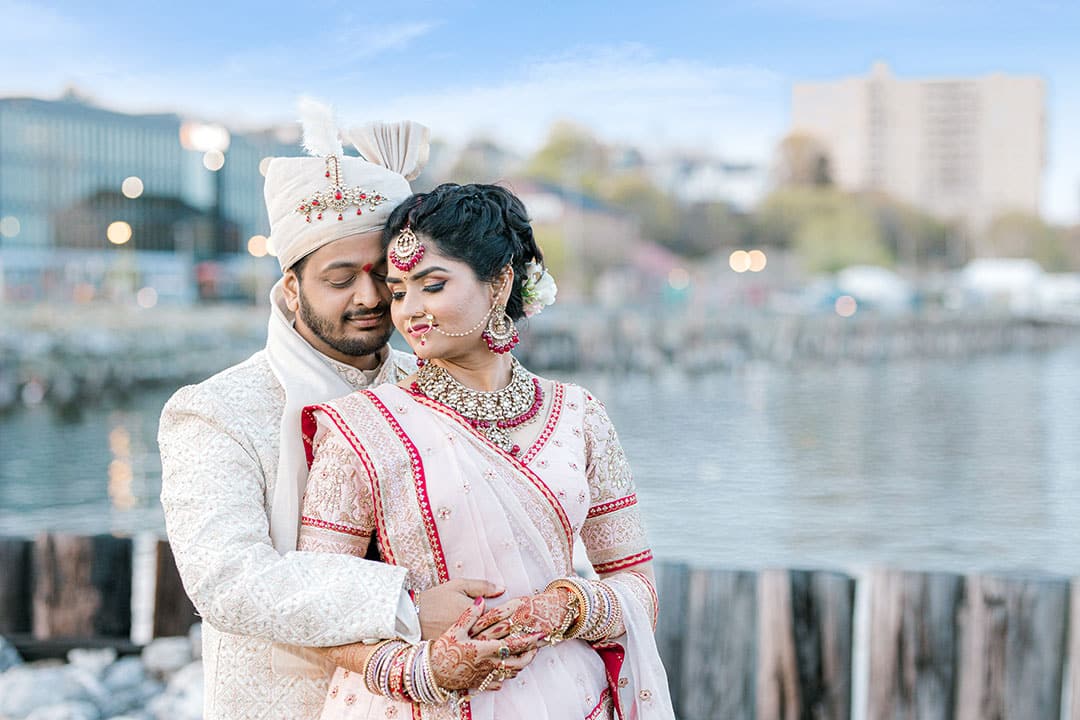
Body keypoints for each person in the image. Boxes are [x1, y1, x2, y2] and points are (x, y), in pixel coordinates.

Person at [158, 103, 505, 719]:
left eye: (383, 275)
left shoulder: (433, 385)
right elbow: (227, 579)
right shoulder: (216, 412)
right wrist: (404, 606)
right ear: (291, 289)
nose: (370, 298)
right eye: (340, 278)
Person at [297, 184, 675, 719]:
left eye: (432, 285)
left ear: (499, 284)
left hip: (569, 699)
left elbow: (638, 586)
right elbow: (319, 604)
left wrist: (567, 607)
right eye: (399, 291)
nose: (410, 312)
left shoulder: (579, 413)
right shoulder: (364, 427)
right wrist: (428, 670)